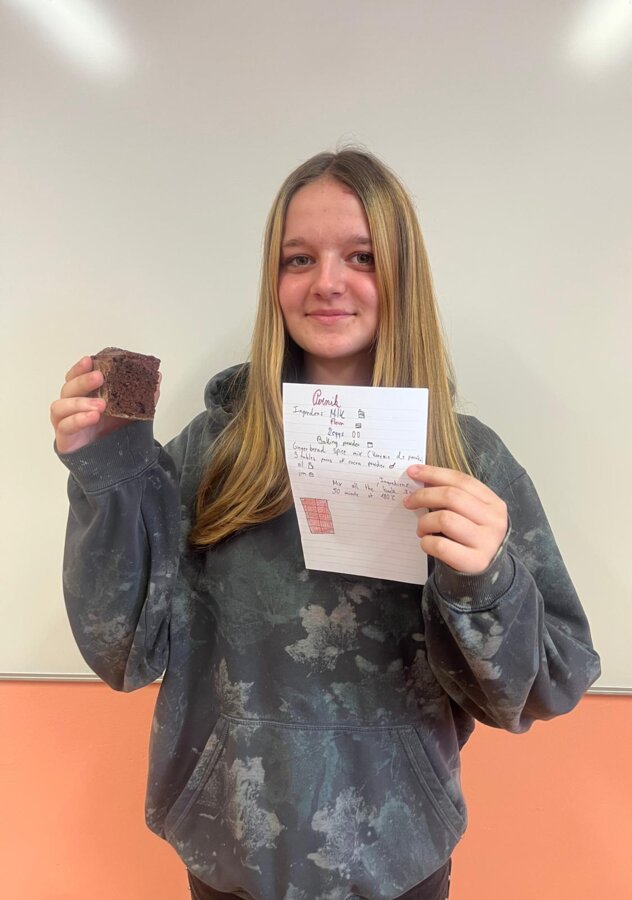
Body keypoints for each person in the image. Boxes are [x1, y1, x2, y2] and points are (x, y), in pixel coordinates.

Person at [51, 149, 601, 900]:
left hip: (396, 859)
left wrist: (488, 580)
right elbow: (125, 651)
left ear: (403, 273)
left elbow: (549, 684)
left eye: (362, 256)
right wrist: (107, 470)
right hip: (229, 852)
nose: (327, 283)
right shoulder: (213, 451)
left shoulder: (466, 459)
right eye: (299, 258)